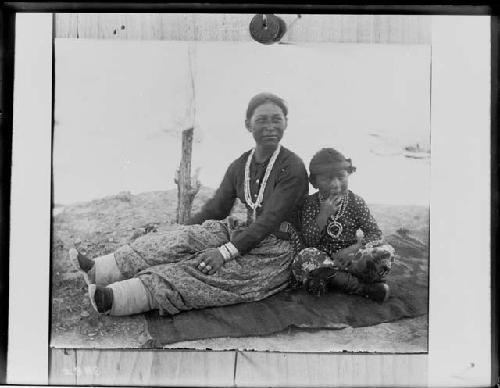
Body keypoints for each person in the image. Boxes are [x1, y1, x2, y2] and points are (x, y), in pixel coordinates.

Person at [70, 92, 309, 316]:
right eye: (262, 120)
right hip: (244, 231)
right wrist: (181, 231)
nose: (270, 127)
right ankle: (99, 270)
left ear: (286, 123)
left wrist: (223, 253)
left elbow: (269, 220)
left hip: (277, 250)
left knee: (211, 270)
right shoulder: (241, 165)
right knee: (185, 238)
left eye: (277, 120)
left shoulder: (293, 168)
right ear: (248, 124)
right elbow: (217, 208)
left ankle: (116, 299)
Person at [291, 147, 395, 302]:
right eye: (326, 179)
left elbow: (375, 233)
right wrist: (323, 214)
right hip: (323, 260)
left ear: (349, 174)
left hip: (351, 258)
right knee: (304, 257)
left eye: (341, 177)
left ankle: (332, 280)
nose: (335, 185)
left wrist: (353, 249)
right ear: (314, 182)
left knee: (384, 252)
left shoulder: (355, 202)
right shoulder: (310, 204)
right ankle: (362, 288)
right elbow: (308, 241)